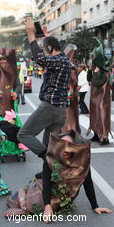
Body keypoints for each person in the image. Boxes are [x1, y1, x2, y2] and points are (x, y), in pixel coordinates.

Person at [4, 131, 112, 222]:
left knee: (55, 206)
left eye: (69, 145)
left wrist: (95, 206)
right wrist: (47, 206)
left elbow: (87, 182)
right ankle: (24, 194)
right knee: (36, 204)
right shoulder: (50, 158)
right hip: (48, 185)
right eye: (62, 143)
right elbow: (47, 183)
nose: (65, 148)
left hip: (65, 194)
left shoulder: (80, 162)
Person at [17, 17, 70, 164]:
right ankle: (50, 173)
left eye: (45, 50)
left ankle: (46, 160)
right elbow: (44, 57)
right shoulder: (63, 59)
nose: (44, 53)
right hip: (60, 110)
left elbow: (40, 59)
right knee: (49, 145)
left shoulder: (59, 60)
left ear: (51, 49)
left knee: (24, 134)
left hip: (50, 108)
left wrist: (31, 35)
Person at [87, 37, 111, 146]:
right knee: (93, 116)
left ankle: (104, 137)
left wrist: (96, 73)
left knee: (101, 117)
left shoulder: (105, 74)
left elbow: (97, 83)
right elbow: (89, 79)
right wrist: (90, 70)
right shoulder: (94, 71)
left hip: (102, 101)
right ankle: (96, 134)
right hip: (94, 99)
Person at [0, 51, 21, 117]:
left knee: (11, 122)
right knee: (0, 121)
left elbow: (18, 85)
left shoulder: (14, 73)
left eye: (4, 59)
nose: (3, 61)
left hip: (11, 100)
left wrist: (16, 93)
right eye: (1, 59)